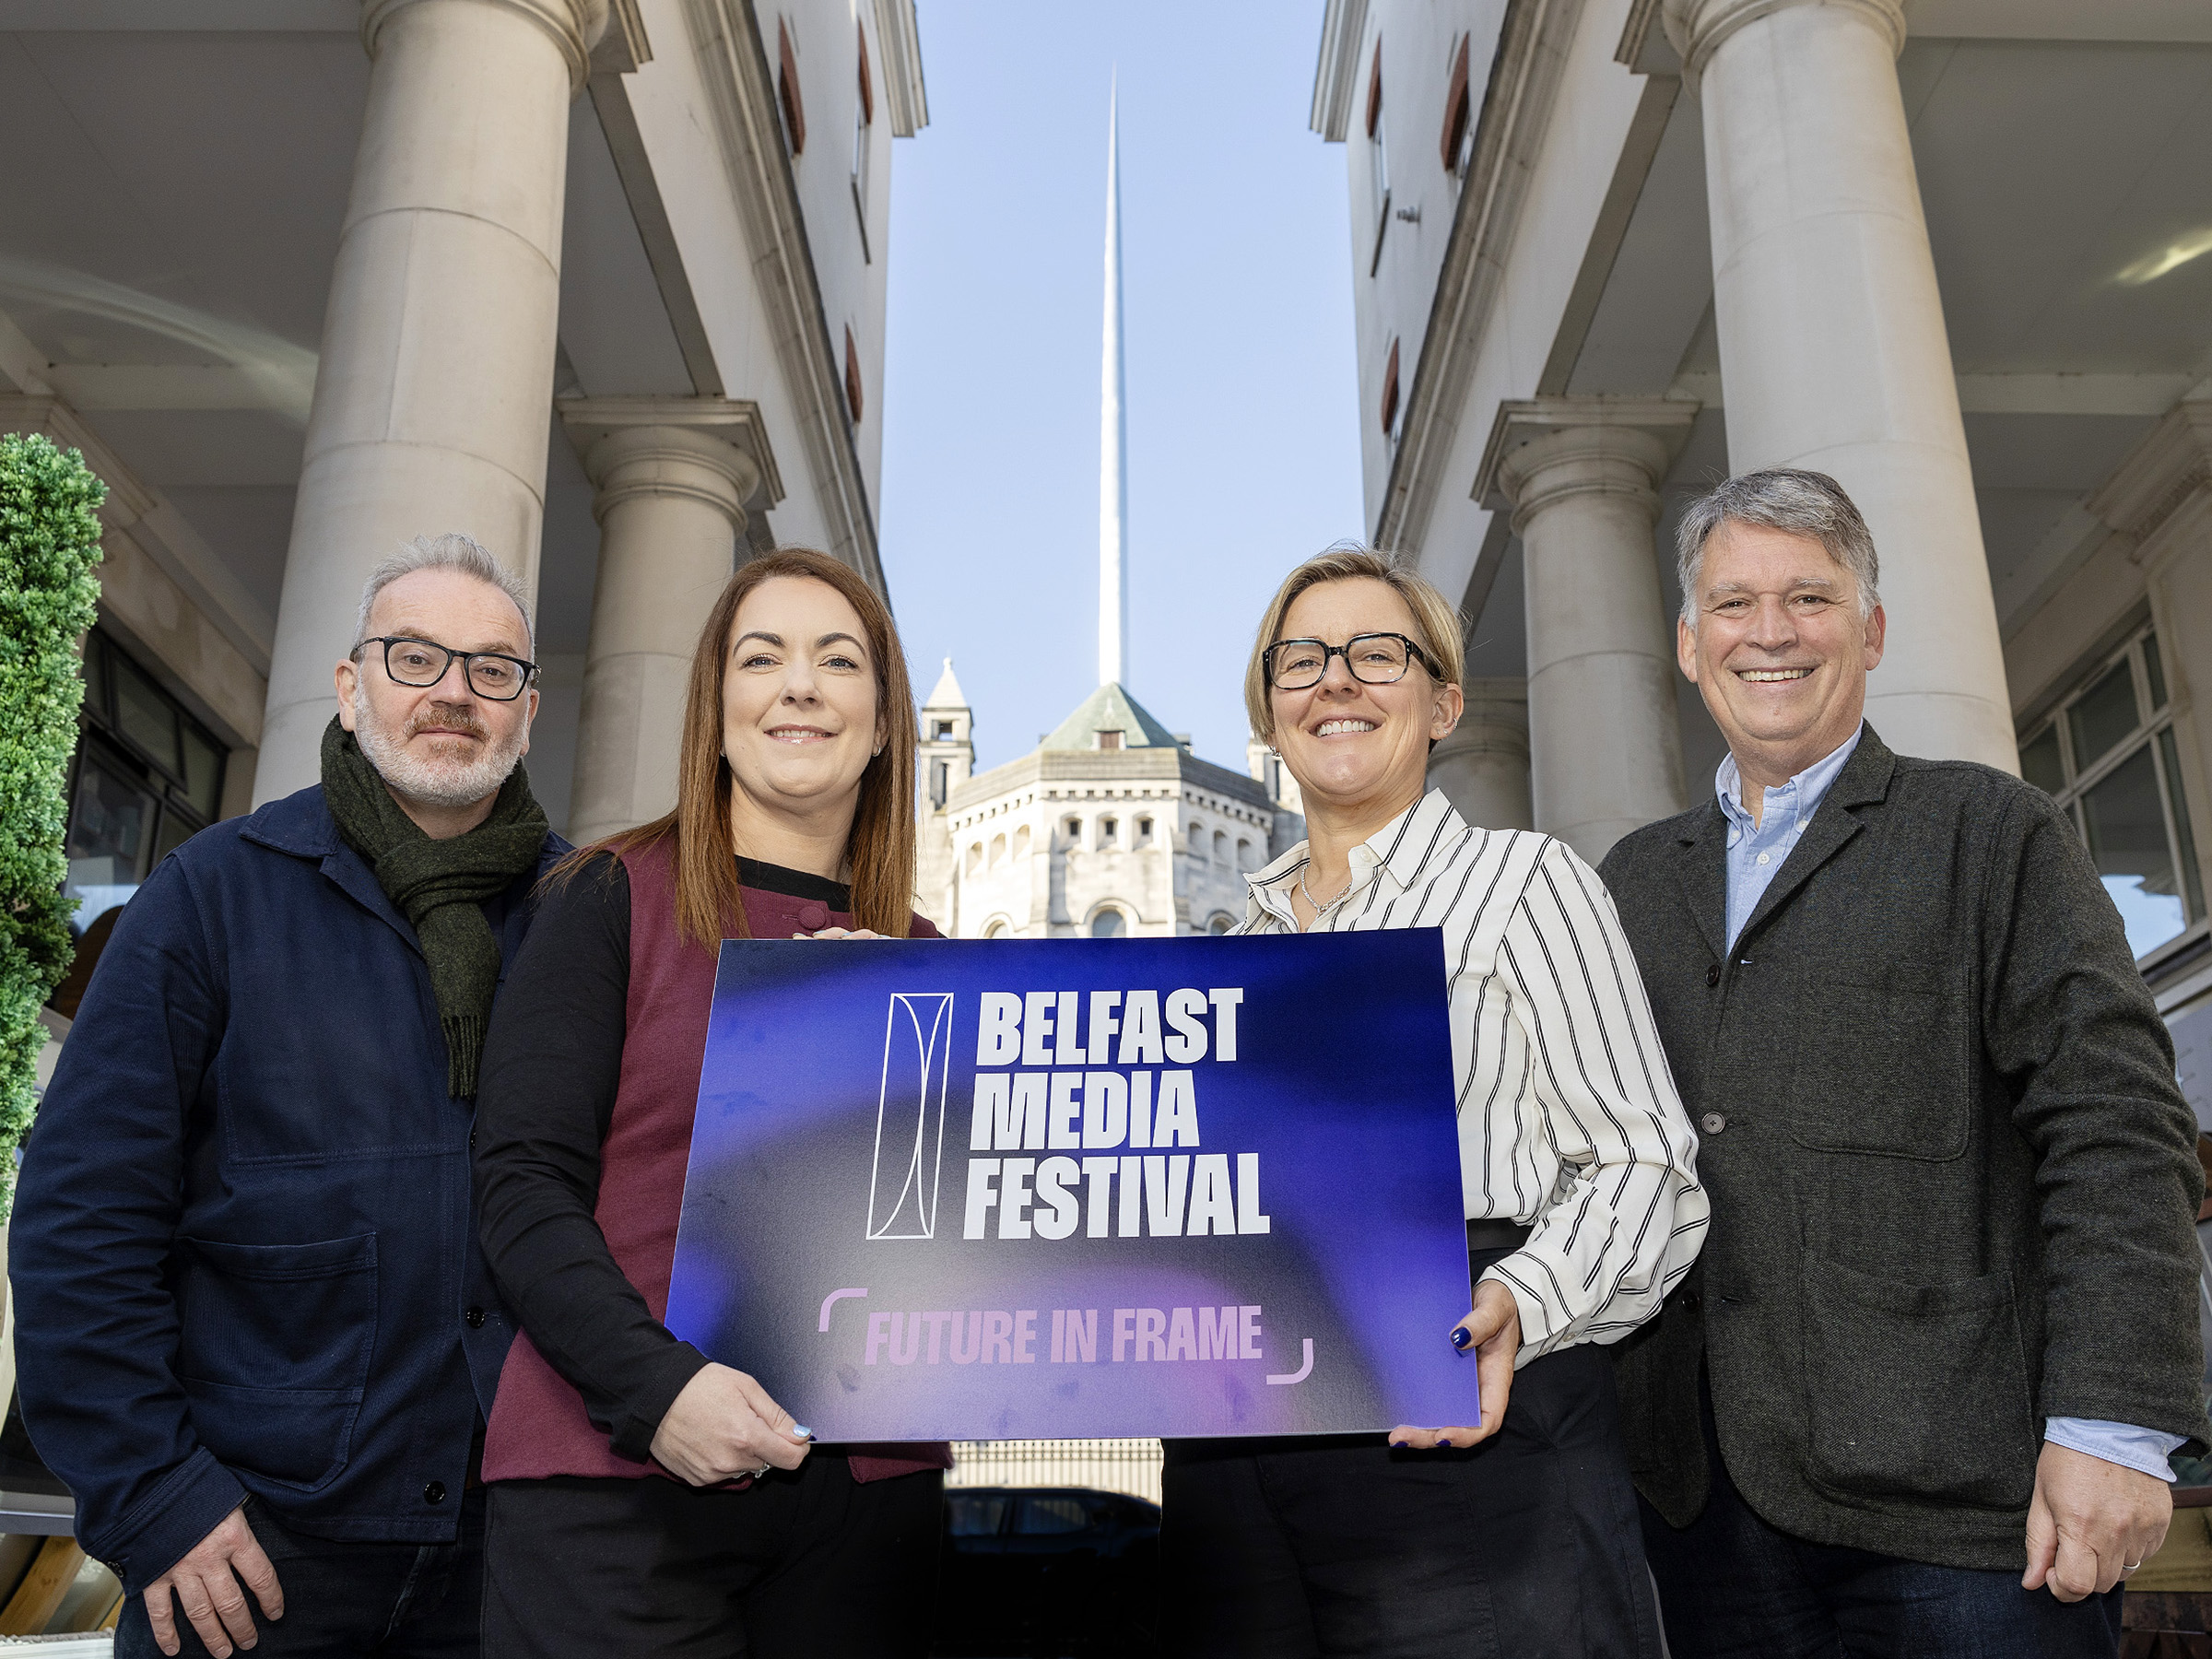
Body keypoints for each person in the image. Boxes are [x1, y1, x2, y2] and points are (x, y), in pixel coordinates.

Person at [1599, 468, 2210, 1658]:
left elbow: (2117, 1126)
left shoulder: (1991, 831)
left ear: (1871, 631)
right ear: (1687, 644)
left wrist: (2116, 1424)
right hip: (1702, 1513)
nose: (1770, 632)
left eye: (1809, 598)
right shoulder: (1629, 878)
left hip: (1964, 1511)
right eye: (1733, 604)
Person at [12, 533, 563, 1658]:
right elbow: (82, 1221)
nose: (455, 691)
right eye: (415, 657)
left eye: (492, 668)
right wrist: (156, 1496)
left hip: (511, 1556)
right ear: (352, 689)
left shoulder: (589, 915)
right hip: (249, 1552)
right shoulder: (211, 895)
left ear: (527, 710)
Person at [1155, 547, 1709, 1658]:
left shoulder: (1527, 883)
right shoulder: (1226, 952)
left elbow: (1648, 1167)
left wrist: (1521, 1299)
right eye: (1301, 659)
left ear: (1444, 704)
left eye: (1377, 654)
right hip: (1238, 1448)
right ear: (1269, 714)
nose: (1336, 679)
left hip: (1467, 1409)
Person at [472, 548, 950, 1658]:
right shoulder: (606, 894)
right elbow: (521, 1189)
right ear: (716, 707)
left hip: (867, 1505)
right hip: (616, 1485)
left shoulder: (931, 962)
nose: (801, 686)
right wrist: (657, 1391)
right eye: (762, 657)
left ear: (886, 723)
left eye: (840, 661)